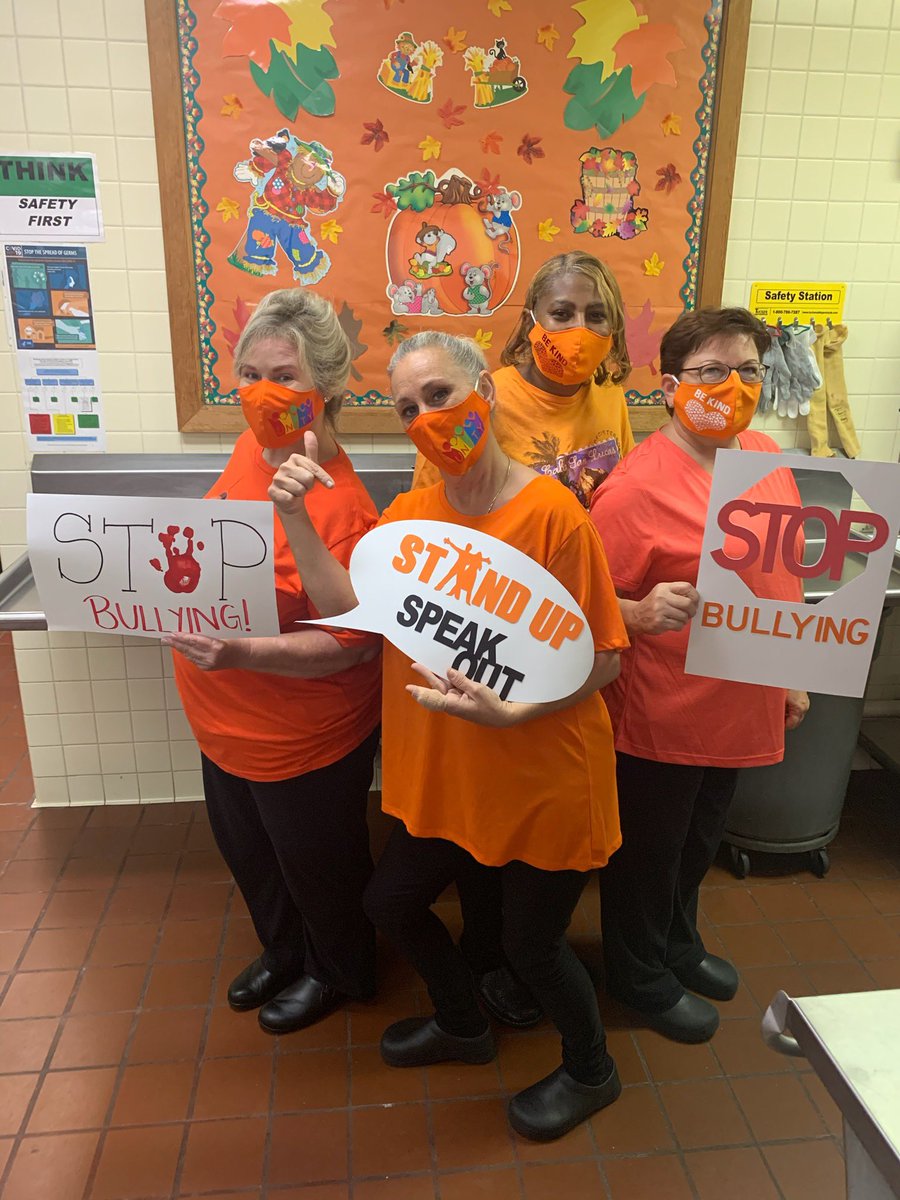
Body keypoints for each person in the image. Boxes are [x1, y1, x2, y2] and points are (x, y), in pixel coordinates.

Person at [269, 331, 630, 1142]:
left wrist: (519, 712)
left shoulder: (554, 516)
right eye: (407, 408)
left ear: (486, 395)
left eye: (440, 395)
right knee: (391, 902)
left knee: (531, 947)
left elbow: (605, 660)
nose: (428, 417)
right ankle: (464, 1024)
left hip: (542, 775)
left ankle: (591, 1068)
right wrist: (293, 515)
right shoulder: (409, 519)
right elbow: (347, 606)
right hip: (449, 778)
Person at [590, 307, 811, 1044]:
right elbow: (584, 609)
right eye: (712, 371)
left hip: (741, 701)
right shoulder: (633, 490)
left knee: (698, 843)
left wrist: (791, 674)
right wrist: (639, 607)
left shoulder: (762, 452)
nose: (733, 385)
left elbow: (780, 578)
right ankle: (639, 973)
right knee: (650, 854)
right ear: (671, 385)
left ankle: (678, 946)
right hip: (663, 712)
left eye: (747, 370)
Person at [165, 289, 382, 1034]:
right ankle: (286, 950)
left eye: (285, 376)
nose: (265, 393)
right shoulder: (249, 451)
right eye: (251, 373)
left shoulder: (344, 504)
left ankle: (340, 971)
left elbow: (351, 644)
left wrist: (239, 652)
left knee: (321, 873)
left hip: (302, 741)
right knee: (255, 860)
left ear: (327, 388)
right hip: (222, 724)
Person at [412, 250, 635, 507]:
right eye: (562, 314)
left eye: (597, 316)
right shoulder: (479, 406)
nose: (580, 330)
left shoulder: (609, 392)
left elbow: (624, 490)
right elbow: (427, 512)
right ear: (531, 320)